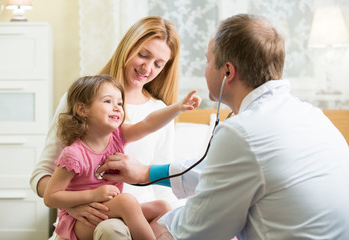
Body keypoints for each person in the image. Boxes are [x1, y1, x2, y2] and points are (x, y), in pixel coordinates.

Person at [97, 14, 349, 240]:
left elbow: (196, 230)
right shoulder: (313, 116)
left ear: (227, 71)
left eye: (208, 61)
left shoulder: (242, 132)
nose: (205, 69)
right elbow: (215, 173)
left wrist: (161, 225)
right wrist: (146, 173)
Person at [30, 16, 181, 239]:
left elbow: (163, 187)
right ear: (127, 47)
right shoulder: (81, 100)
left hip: (141, 217)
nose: (147, 68)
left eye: (158, 64)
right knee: (112, 229)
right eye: (143, 54)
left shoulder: (159, 112)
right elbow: (42, 175)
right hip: (93, 218)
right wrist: (77, 203)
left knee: (169, 215)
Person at [43, 75, 201, 240]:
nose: (117, 107)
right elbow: (51, 196)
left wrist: (178, 108)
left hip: (110, 209)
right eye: (107, 101)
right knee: (126, 202)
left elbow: (148, 123)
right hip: (80, 221)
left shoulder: (117, 136)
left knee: (162, 207)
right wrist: (92, 195)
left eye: (119, 103)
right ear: (83, 110)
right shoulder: (73, 154)